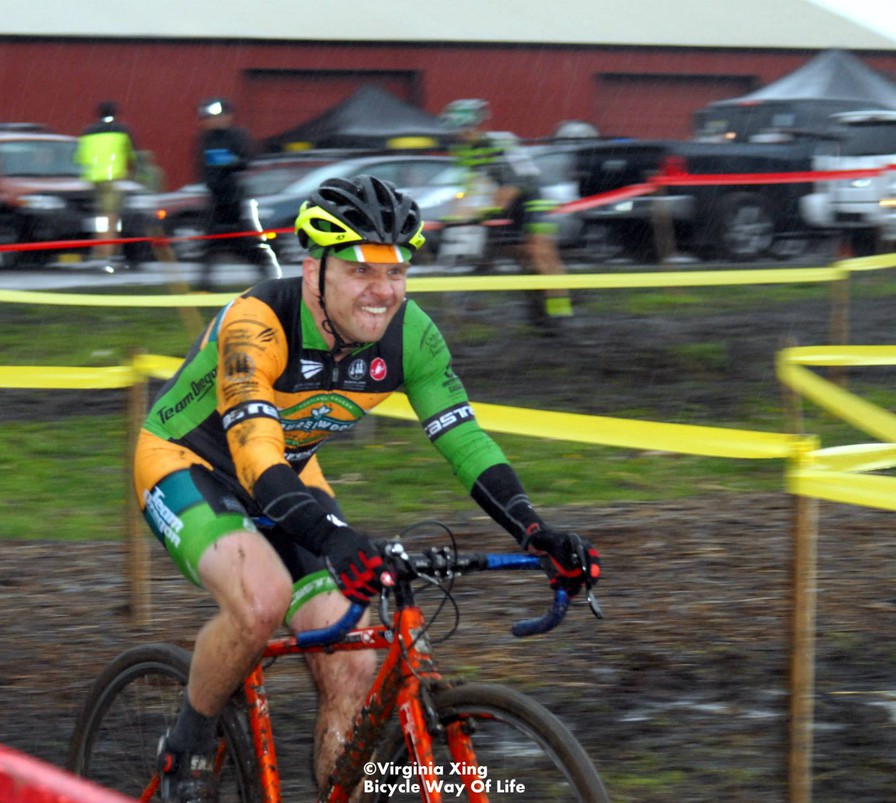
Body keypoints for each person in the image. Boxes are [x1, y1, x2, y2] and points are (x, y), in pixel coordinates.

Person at [132, 174, 601, 802]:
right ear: (313, 270)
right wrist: (336, 538)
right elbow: (255, 459)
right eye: (360, 270)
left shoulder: (412, 336)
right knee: (262, 600)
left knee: (354, 657)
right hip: (190, 464)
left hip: (291, 470)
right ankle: (185, 747)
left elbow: (465, 441)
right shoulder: (257, 324)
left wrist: (534, 528)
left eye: (398, 270)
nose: (384, 291)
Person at [440, 98, 574, 331]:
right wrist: (456, 214)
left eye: (464, 130)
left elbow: (512, 184)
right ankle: (538, 307)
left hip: (531, 198)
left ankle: (561, 308)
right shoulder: (463, 150)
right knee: (521, 256)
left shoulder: (500, 143)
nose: (460, 135)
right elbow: (470, 186)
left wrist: (486, 210)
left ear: (476, 126)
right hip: (506, 202)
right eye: (457, 131)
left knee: (541, 252)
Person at [194, 96, 280, 291]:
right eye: (208, 117)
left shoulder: (236, 135)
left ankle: (267, 278)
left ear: (228, 117)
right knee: (209, 244)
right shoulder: (204, 139)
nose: (212, 121)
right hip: (214, 201)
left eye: (217, 116)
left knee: (248, 243)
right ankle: (204, 285)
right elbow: (202, 167)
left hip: (234, 201)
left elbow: (248, 159)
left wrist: (230, 162)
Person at [76, 100, 137, 263]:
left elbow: (79, 158)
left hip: (93, 179)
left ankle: (98, 250)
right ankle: (109, 253)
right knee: (111, 216)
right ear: (116, 113)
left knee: (100, 216)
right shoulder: (123, 130)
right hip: (112, 178)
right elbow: (132, 155)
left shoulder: (87, 131)